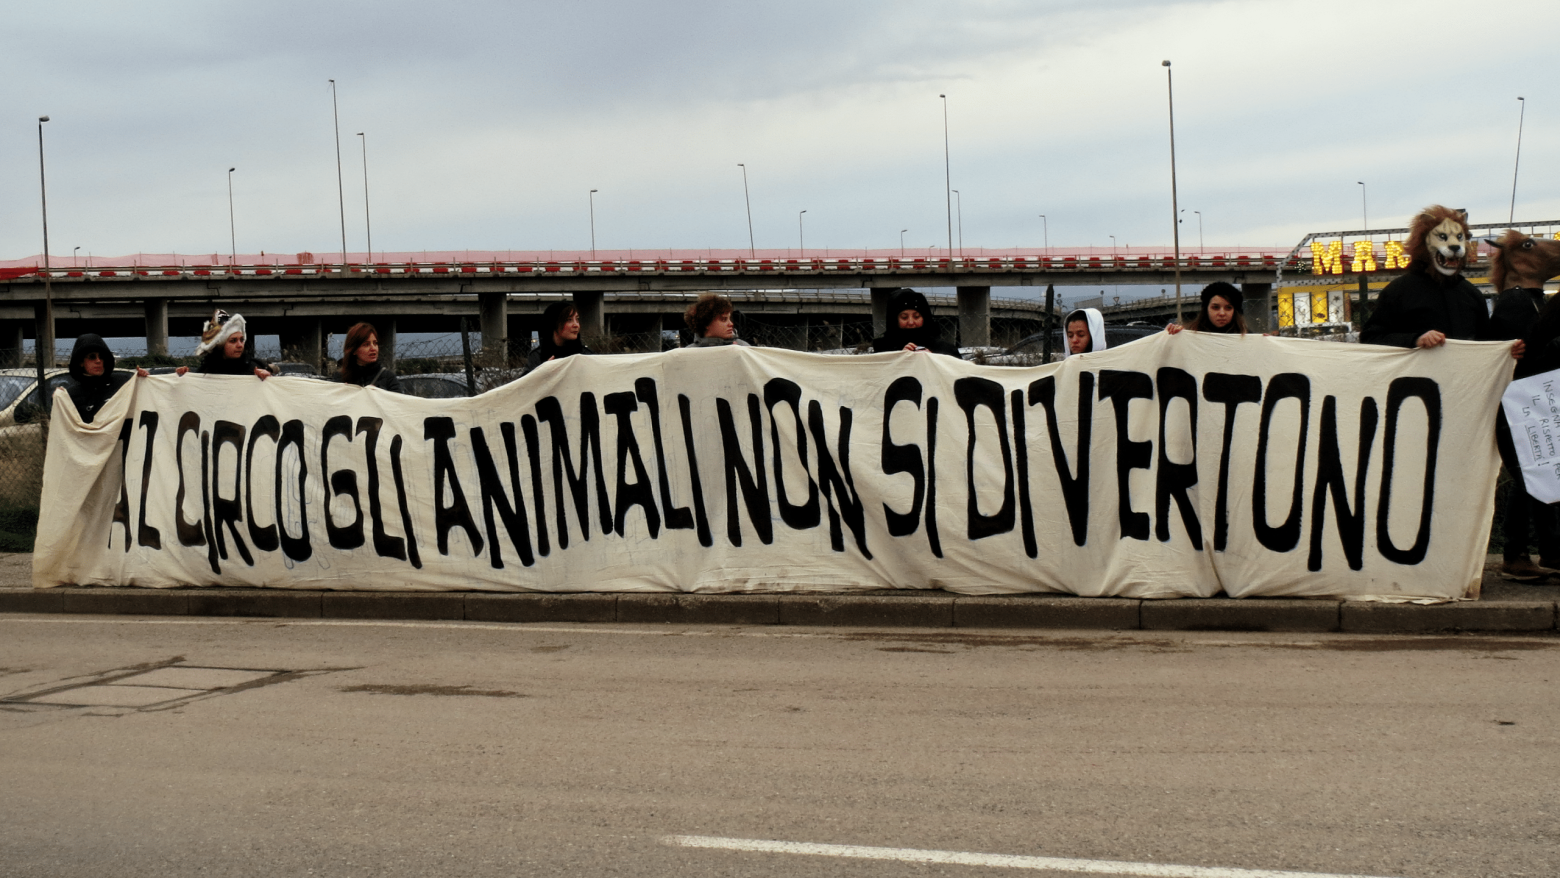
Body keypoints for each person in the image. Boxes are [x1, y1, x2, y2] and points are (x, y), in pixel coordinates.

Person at [62, 334, 147, 423]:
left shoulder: (123, 383)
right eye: (92, 357)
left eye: (101, 357)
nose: (98, 361)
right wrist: (59, 399)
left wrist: (142, 380)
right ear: (81, 362)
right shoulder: (70, 395)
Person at [175, 310, 273, 379]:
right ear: (220, 345)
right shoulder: (207, 371)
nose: (240, 345)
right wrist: (185, 377)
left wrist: (268, 379)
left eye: (241, 340)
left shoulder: (255, 368)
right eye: (233, 341)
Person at [869, 289, 960, 356]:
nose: (911, 322)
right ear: (895, 320)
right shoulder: (882, 350)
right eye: (904, 317)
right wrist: (899, 357)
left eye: (916, 317)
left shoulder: (945, 349)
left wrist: (933, 358)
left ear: (924, 318)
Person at [339, 322, 403, 393]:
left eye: (375, 343)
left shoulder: (388, 378)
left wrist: (379, 395)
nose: (373, 348)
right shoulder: (340, 378)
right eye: (366, 344)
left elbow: (398, 402)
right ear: (354, 350)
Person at [528, 301, 594, 367]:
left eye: (577, 319)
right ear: (553, 323)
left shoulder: (586, 355)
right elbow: (529, 377)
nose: (576, 325)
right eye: (569, 320)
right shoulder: (536, 356)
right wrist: (544, 372)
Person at [1166, 282, 1249, 335]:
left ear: (1235, 311)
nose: (1222, 313)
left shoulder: (1248, 337)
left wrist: (1261, 341)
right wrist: (1174, 334)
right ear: (1206, 309)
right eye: (1215, 307)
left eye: (1228, 308)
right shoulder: (1189, 334)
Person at [685, 293, 751, 347]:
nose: (731, 324)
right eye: (723, 319)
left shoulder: (744, 348)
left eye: (729, 319)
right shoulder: (687, 354)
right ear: (706, 323)